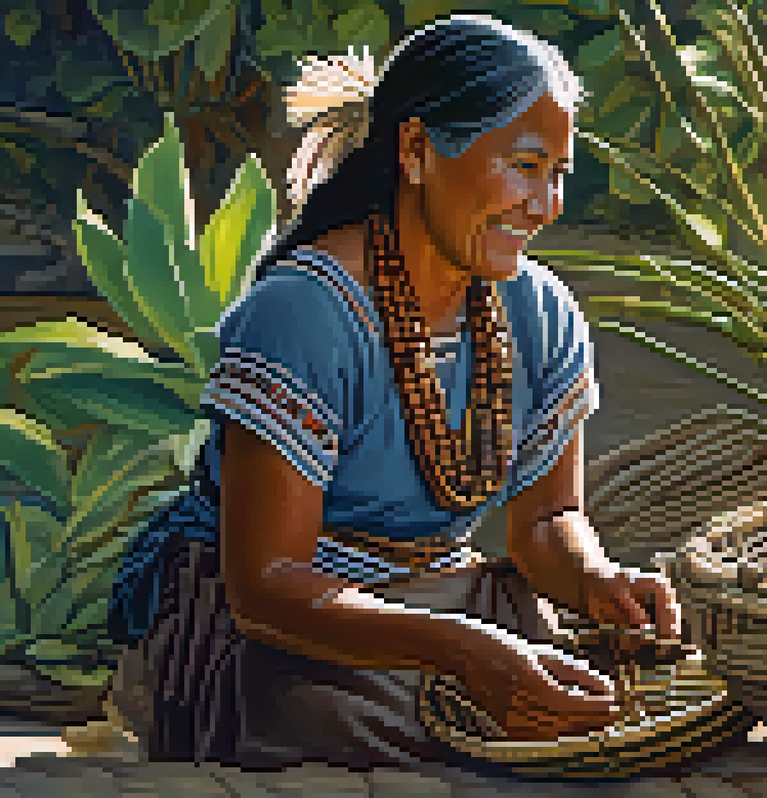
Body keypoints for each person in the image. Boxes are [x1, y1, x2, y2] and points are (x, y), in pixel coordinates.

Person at [105, 15, 680, 770]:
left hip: (442, 608)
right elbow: (268, 586)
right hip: (290, 628)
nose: (545, 206)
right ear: (415, 152)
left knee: (601, 689)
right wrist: (467, 654)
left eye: (558, 174)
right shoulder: (304, 313)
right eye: (523, 166)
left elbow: (547, 519)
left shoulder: (538, 313)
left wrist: (596, 579)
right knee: (404, 722)